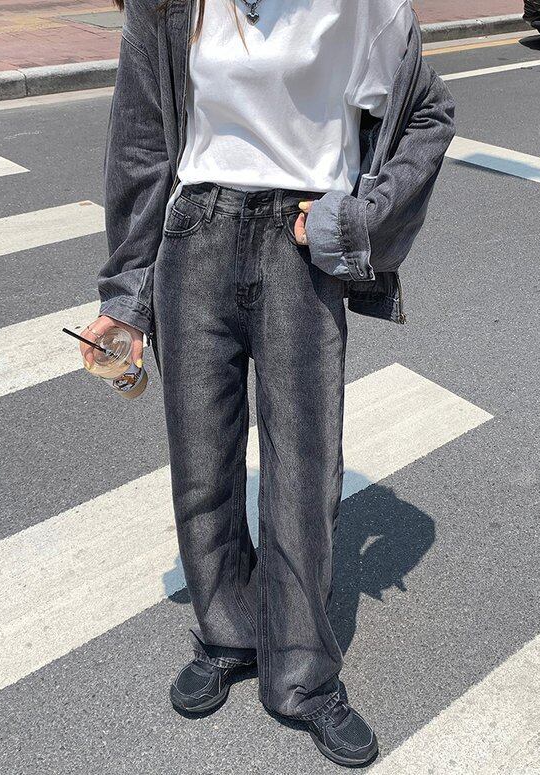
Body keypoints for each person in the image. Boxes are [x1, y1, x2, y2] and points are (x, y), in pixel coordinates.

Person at [79, 0, 455, 766]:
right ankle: (227, 630)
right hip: (195, 238)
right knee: (203, 464)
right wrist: (126, 296)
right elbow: (142, 141)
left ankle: (302, 674)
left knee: (304, 473)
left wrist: (357, 219)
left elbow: (426, 115)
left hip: (298, 248)